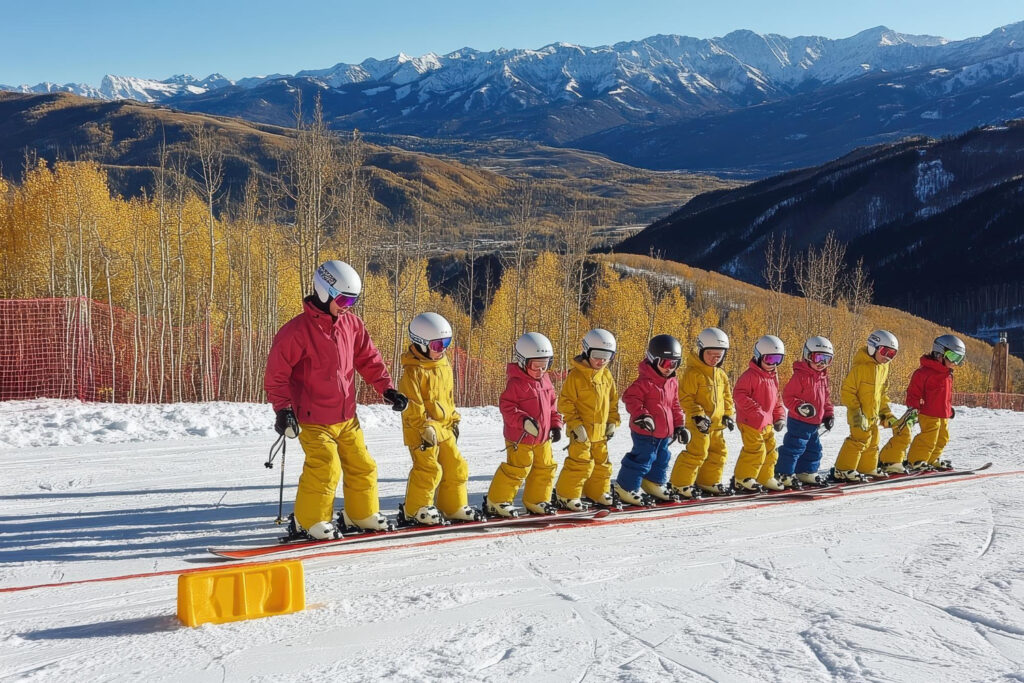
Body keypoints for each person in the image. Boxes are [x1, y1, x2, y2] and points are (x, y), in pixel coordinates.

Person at [265, 260, 408, 539]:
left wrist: (387, 388)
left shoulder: (351, 324)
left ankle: (360, 514)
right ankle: (309, 521)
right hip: (313, 419)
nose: (347, 306)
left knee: (362, 465)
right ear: (323, 291)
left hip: (346, 417)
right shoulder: (296, 332)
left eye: (352, 300)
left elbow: (368, 358)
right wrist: (283, 410)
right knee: (325, 467)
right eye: (343, 299)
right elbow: (276, 376)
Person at [397, 312, 480, 526]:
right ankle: (416, 509)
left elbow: (447, 397)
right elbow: (412, 406)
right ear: (421, 344)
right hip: (422, 431)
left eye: (446, 343)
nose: (442, 349)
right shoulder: (413, 372)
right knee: (429, 469)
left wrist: (454, 420)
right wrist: (424, 427)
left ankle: (452, 506)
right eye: (437, 345)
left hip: (443, 427)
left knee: (456, 465)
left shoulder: (443, 364)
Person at [485, 332, 563, 517]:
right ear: (522, 361)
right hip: (520, 437)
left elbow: (552, 406)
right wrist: (523, 420)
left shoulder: (545, 381)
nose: (540, 371)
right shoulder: (517, 384)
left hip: (543, 438)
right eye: (536, 366)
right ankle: (497, 501)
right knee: (517, 470)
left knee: (545, 468)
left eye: (545, 365)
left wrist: (556, 425)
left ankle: (537, 500)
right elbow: (507, 406)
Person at [614, 334, 689, 505]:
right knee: (643, 457)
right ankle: (625, 486)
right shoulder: (645, 382)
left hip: (664, 432)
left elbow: (675, 405)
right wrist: (642, 415)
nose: (669, 368)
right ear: (653, 360)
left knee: (662, 458)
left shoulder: (672, 382)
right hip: (645, 430)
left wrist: (679, 426)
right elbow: (630, 398)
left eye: (674, 363)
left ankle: (653, 482)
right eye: (665, 363)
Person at [553, 329, 621, 509]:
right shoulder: (575, 376)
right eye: (597, 355)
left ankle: (597, 492)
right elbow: (565, 403)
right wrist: (575, 425)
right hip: (581, 433)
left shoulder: (606, 376)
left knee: (602, 465)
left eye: (607, 356)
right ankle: (566, 495)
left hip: (600, 433)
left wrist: (612, 422)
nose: (601, 360)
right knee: (580, 463)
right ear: (586, 351)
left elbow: (613, 402)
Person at [879, 334, 966, 472]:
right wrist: (913, 407)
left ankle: (931, 458)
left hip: (942, 414)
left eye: (959, 359)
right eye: (953, 357)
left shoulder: (948, 374)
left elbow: (945, 397)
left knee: (943, 438)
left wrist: (949, 410)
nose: (955, 362)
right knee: (928, 438)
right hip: (927, 412)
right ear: (940, 353)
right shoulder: (924, 373)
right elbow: (913, 392)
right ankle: (917, 460)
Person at [668, 327, 736, 498]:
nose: (714, 359)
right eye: (710, 354)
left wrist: (728, 414)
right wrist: (698, 414)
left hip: (716, 424)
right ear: (701, 351)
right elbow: (684, 397)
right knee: (697, 453)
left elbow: (727, 397)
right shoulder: (693, 373)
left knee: (718, 453)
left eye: (718, 356)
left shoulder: (721, 375)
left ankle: (707, 481)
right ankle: (680, 484)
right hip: (698, 424)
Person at [832, 329, 900, 482]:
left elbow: (882, 394)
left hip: (873, 415)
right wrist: (857, 411)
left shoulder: (883, 368)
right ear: (873, 347)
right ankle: (843, 470)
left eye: (892, 355)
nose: (887, 358)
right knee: (858, 440)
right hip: (858, 415)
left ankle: (867, 467)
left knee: (873, 440)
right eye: (885, 352)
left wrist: (885, 413)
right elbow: (847, 392)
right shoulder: (860, 368)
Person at [775, 336, 835, 488]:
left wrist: (828, 415)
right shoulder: (800, 376)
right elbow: (788, 397)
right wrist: (800, 407)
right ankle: (783, 472)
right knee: (795, 447)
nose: (822, 363)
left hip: (814, 422)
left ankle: (806, 471)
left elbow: (826, 398)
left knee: (814, 449)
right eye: (818, 358)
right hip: (799, 420)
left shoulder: (823, 377)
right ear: (808, 356)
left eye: (827, 359)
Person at [732, 335, 787, 493]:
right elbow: (739, 395)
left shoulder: (773, 377)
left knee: (771, 450)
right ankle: (743, 478)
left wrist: (779, 416)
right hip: (749, 421)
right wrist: (757, 411)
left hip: (767, 423)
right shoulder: (750, 376)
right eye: (769, 359)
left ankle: (765, 477)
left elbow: (777, 399)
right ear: (758, 356)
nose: (774, 364)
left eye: (778, 359)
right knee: (756, 450)